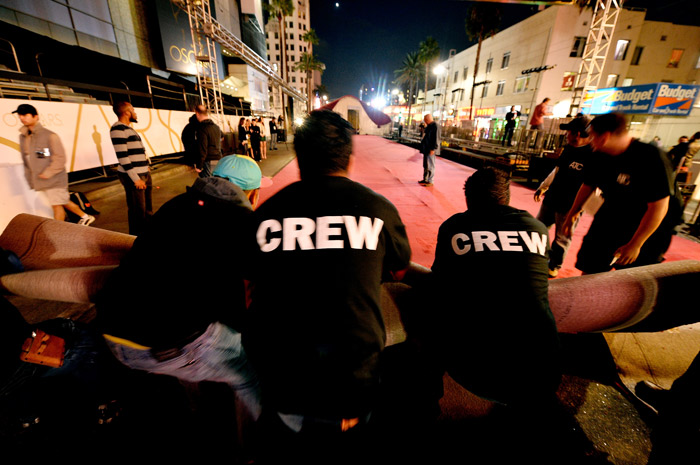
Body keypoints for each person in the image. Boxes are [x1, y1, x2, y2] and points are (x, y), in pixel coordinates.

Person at [244, 110, 411, 462]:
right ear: (349, 158)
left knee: (290, 442)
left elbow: (250, 278)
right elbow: (397, 272)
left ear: (299, 157)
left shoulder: (267, 214)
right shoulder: (378, 209)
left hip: (283, 376)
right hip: (353, 380)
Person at [95, 154, 263, 460]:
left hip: (111, 336)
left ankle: (196, 411)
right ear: (252, 192)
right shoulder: (242, 225)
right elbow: (236, 308)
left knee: (194, 330)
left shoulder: (175, 205)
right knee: (249, 369)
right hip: (163, 345)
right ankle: (256, 451)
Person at [429, 167, 561, 407]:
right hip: (544, 373)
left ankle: (428, 402)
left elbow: (439, 284)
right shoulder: (537, 229)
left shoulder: (454, 228)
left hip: (475, 374)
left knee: (432, 304)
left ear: (468, 201)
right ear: (506, 198)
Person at [562, 112, 683, 274]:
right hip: (612, 214)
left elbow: (658, 207)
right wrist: (572, 214)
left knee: (635, 278)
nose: (590, 141)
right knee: (590, 264)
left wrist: (636, 244)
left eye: (592, 136)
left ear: (604, 137)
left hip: (648, 227)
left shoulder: (651, 157)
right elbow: (587, 186)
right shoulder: (598, 155)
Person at [14, 104, 95, 225]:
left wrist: (47, 172)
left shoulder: (49, 135)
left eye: (25, 115)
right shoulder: (23, 137)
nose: (22, 118)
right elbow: (30, 157)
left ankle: (60, 228)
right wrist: (31, 177)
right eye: (20, 115)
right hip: (41, 178)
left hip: (55, 177)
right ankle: (84, 216)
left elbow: (60, 157)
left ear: (36, 117)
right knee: (61, 201)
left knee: (57, 204)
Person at [533, 115, 593, 278]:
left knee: (562, 238)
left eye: (571, 133)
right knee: (539, 229)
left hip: (570, 205)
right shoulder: (568, 149)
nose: (568, 136)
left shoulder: (593, 156)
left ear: (580, 134)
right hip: (552, 198)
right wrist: (543, 187)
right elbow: (557, 170)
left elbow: (595, 188)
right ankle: (537, 258)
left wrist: (581, 209)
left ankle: (554, 265)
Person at [110, 101, 153, 236]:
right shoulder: (118, 129)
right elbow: (122, 157)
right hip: (135, 177)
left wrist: (146, 167)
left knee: (147, 210)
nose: (135, 113)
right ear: (127, 112)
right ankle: (136, 240)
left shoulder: (128, 128)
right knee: (137, 212)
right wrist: (135, 178)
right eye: (133, 110)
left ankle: (148, 236)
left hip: (143, 173)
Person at [193, 104, 223, 177]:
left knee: (209, 184)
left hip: (208, 161)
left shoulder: (202, 129)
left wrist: (199, 166)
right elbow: (222, 137)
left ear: (197, 113)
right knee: (217, 182)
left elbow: (203, 149)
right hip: (218, 158)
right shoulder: (216, 127)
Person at [419, 113, 438, 186]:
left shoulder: (435, 126)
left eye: (425, 120)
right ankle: (425, 178)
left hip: (430, 148)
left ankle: (430, 181)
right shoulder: (429, 126)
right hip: (426, 148)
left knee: (430, 165)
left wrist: (433, 148)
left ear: (428, 119)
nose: (425, 122)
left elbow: (436, 138)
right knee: (426, 164)